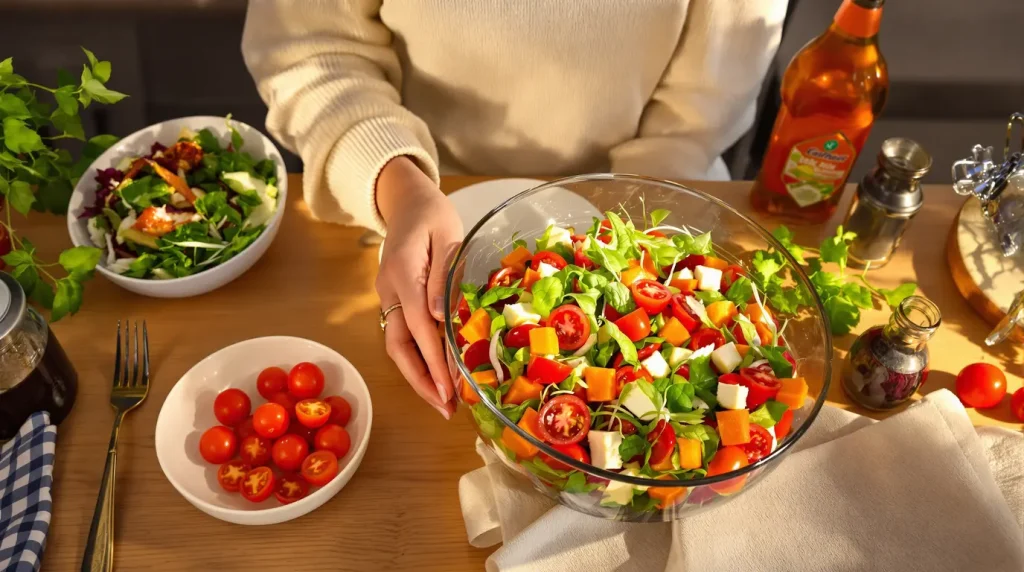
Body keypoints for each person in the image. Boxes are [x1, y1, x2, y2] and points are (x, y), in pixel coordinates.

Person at [241, 0, 788, 419]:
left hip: (647, 198)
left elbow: (706, 101)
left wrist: (626, 250)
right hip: (417, 185)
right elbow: (309, 52)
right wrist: (400, 186)